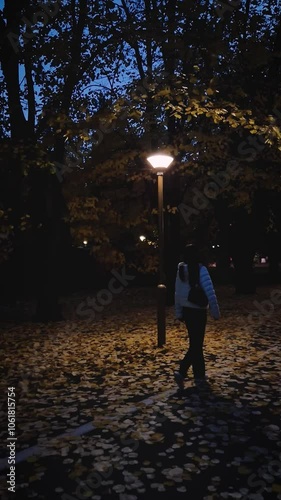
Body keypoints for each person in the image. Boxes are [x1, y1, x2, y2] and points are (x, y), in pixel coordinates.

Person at [174, 243, 220, 390]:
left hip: (187, 311)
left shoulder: (181, 270)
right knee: (196, 344)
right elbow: (210, 291)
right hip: (199, 310)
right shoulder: (201, 269)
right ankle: (187, 373)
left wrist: (179, 312)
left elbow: (178, 293)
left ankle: (195, 374)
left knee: (195, 343)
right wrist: (215, 311)